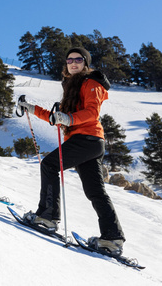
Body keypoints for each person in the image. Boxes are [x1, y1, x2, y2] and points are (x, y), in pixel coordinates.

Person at [17, 47, 126, 254]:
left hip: (87, 138)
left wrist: (69, 119)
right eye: (69, 60)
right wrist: (31, 108)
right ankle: (113, 238)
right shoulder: (72, 86)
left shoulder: (91, 83)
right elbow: (58, 117)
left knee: (49, 165)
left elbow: (92, 112)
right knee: (95, 191)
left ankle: (47, 217)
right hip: (89, 142)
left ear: (86, 63)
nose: (73, 63)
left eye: (78, 59)